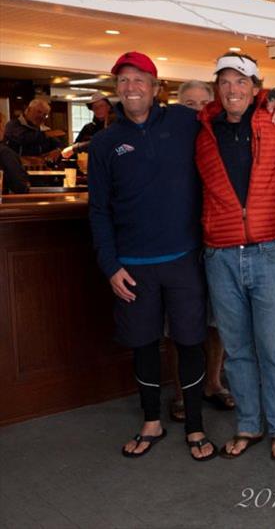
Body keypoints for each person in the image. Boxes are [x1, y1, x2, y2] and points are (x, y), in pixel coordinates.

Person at [88, 51, 216, 461]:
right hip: (133, 265)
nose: (131, 87)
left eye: (139, 79)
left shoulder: (183, 122)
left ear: (156, 87)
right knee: (143, 344)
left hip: (183, 259)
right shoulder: (106, 142)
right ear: (116, 90)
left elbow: (236, 108)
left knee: (190, 340)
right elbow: (99, 210)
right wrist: (110, 266)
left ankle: (195, 426)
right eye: (123, 81)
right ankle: (151, 421)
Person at [195, 52, 275, 460]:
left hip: (270, 248)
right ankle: (250, 425)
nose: (232, 89)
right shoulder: (201, 129)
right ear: (217, 88)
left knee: (274, 349)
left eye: (241, 81)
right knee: (237, 349)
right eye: (225, 81)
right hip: (220, 253)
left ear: (257, 88)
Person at [166, 78, 235, 423]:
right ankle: (181, 391)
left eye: (201, 103)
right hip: (179, 243)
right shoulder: (170, 140)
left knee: (217, 318)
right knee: (180, 321)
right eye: (188, 104)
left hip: (216, 238)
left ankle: (213, 382)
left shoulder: (220, 136)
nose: (195, 110)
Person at [62, 92, 114, 159]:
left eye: (101, 106)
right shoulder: (88, 127)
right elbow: (75, 146)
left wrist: (76, 148)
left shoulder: (116, 125)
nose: (98, 109)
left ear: (108, 107)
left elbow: (103, 142)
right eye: (95, 107)